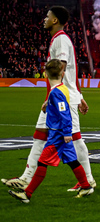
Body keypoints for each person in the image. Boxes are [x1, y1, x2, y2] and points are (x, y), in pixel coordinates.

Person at [2, 6, 95, 192]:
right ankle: (25, 178)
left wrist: (53, 97)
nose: (44, 19)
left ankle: (89, 180)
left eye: (47, 16)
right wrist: (80, 96)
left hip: (62, 99)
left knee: (75, 139)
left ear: (54, 20)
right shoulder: (59, 39)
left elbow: (60, 68)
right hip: (63, 95)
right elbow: (70, 73)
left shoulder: (60, 39)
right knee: (40, 136)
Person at [7, 59, 94, 203]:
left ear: (45, 74)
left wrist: (67, 133)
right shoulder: (62, 89)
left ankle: (27, 194)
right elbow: (61, 105)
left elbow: (64, 112)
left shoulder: (55, 93)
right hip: (61, 133)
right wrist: (48, 105)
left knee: (42, 162)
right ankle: (86, 186)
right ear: (63, 73)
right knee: (72, 161)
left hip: (58, 134)